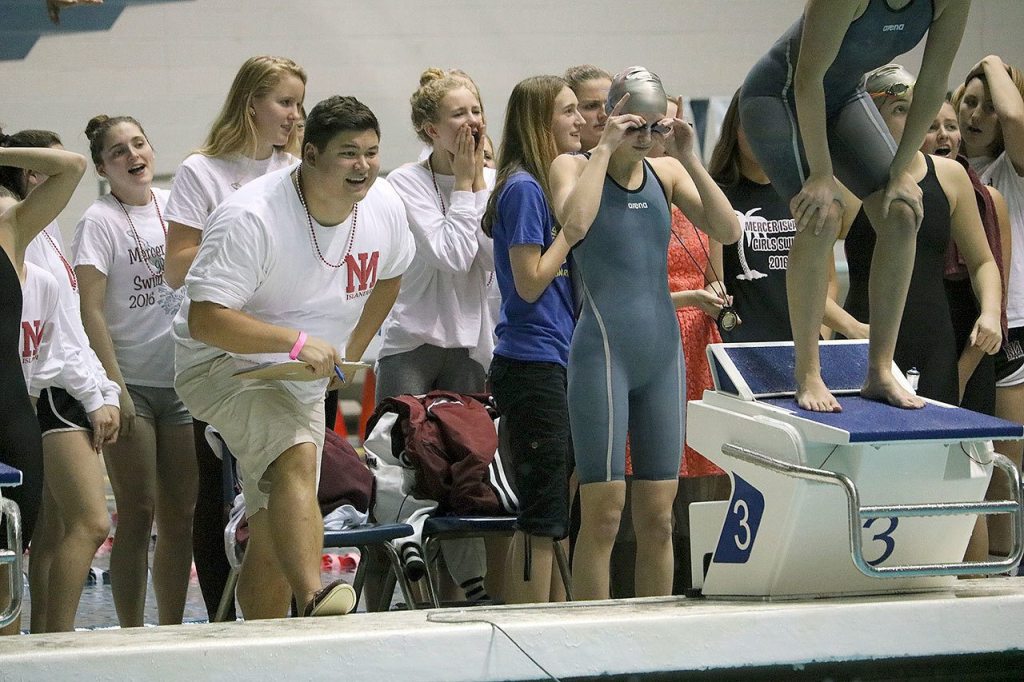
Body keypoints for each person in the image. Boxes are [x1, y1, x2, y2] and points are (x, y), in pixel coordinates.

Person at [173, 95, 415, 619]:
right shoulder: (250, 216)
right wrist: (297, 343)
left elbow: (392, 275)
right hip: (219, 364)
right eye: (349, 153)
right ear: (309, 154)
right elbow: (205, 320)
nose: (364, 166)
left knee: (272, 525)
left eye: (372, 152)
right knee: (297, 455)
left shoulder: (385, 206)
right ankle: (315, 596)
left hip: (300, 372)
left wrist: (348, 355)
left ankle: (263, 652)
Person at [551, 66, 740, 601]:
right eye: (635, 123)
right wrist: (606, 148)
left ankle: (652, 636)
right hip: (602, 354)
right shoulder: (572, 165)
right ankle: (591, 637)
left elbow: (727, 230)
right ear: (611, 115)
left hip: (663, 356)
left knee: (659, 518)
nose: (646, 136)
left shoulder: (668, 175)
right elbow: (575, 226)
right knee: (604, 517)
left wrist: (692, 159)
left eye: (654, 126)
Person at [740, 0, 971, 412]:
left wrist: (901, 170)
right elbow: (807, 78)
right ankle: (808, 372)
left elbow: (935, 83)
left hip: (845, 96)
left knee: (901, 212)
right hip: (778, 96)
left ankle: (880, 370)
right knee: (821, 215)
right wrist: (821, 174)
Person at [163, 55, 305, 621]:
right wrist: (243, 251)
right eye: (286, 102)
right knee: (217, 483)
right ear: (251, 104)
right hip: (218, 347)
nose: (296, 115)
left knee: (288, 477)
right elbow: (176, 266)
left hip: (284, 343)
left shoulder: (298, 168)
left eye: (300, 102)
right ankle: (222, 619)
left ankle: (288, 606)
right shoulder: (203, 171)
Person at [374, 68, 496, 604]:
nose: (471, 123)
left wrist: (477, 183)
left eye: (476, 110)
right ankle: (379, 595)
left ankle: (463, 593)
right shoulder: (403, 184)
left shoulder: (496, 180)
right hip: (411, 343)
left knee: (468, 471)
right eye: (457, 114)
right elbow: (452, 255)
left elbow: (491, 261)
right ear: (430, 128)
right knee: (398, 478)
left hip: (470, 345)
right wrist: (469, 186)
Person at [74, 114, 197, 627]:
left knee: (181, 517)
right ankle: (130, 630)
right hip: (132, 386)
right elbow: (91, 310)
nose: (132, 155)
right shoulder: (97, 221)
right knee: (139, 510)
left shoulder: (176, 206)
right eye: (118, 151)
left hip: (184, 381)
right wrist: (114, 388)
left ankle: (169, 627)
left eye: (138, 143)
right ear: (103, 166)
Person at [1, 129, 121, 633]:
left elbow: (70, 166)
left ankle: (34, 650)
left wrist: (102, 389)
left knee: (18, 547)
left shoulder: (13, 225)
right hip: (43, 399)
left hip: (13, 407)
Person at [841, 65, 1002, 407]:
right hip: (862, 342)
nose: (912, 120)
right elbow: (802, 276)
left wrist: (989, 311)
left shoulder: (950, 177)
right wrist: (851, 327)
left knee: (931, 454)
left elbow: (983, 261)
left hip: (932, 344)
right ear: (868, 117)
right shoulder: (845, 184)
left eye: (916, 110)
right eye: (899, 110)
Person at [483, 74, 585, 604]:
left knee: (556, 514)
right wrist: (571, 230)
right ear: (539, 123)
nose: (580, 120)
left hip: (560, 359)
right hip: (531, 364)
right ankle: (527, 633)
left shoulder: (547, 185)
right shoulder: (523, 189)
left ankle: (555, 623)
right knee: (541, 513)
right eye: (567, 112)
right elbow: (528, 282)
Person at [952, 55, 1024, 561]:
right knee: (964, 468)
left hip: (1010, 328)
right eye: (968, 104)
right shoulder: (945, 172)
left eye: (987, 107)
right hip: (957, 328)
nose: (976, 116)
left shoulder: (1011, 173)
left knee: (1003, 473)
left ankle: (1006, 580)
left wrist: (991, 61)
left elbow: (1018, 119)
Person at [564, 65, 612, 152]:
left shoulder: (639, 157)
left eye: (610, 104)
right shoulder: (557, 162)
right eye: (591, 106)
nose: (604, 114)